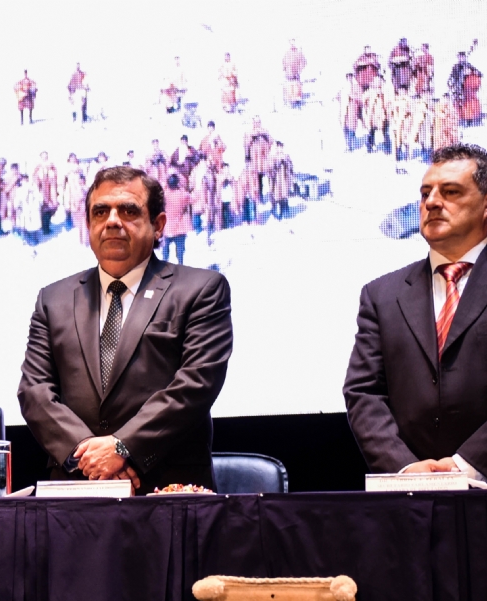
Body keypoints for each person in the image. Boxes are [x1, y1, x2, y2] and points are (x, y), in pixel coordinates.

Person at [343, 145, 487, 479]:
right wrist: (404, 468)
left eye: (450, 191)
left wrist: (466, 463)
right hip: (409, 494)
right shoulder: (381, 294)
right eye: (425, 193)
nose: (432, 202)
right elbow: (363, 391)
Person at [18, 166, 234, 493]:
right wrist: (89, 455)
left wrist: (123, 447)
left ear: (158, 225)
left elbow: (197, 383)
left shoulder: (201, 290)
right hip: (76, 487)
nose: (112, 221)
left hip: (167, 490)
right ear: (88, 224)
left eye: (129, 211)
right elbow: (35, 391)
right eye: (100, 211)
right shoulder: (53, 300)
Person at [161, 174, 191, 264]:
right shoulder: (182, 194)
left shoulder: (164, 195)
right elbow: (193, 199)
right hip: (180, 227)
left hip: (167, 227)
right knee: (180, 253)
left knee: (165, 252)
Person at [242, 116, 273, 200]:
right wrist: (252, 137)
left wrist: (265, 135)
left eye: (258, 122)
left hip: (264, 160)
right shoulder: (249, 132)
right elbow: (246, 145)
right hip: (254, 160)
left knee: (268, 177)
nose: (257, 124)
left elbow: (271, 142)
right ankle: (258, 197)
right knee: (256, 180)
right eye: (255, 122)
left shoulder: (265, 131)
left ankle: (272, 197)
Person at [268, 141, 295, 220]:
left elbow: (291, 168)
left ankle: (285, 212)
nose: (279, 149)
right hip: (276, 182)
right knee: (276, 197)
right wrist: (276, 164)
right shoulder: (273, 157)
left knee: (284, 196)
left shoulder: (286, 156)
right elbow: (270, 170)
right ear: (276, 148)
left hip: (284, 181)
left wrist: (286, 162)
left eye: (281, 147)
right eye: (278, 147)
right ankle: (277, 212)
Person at [281, 40, 307, 107]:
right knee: (289, 85)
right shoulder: (287, 53)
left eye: (293, 43)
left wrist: (299, 69)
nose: (292, 45)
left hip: (296, 73)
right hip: (288, 74)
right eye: (291, 43)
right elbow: (283, 62)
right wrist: (285, 68)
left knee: (296, 85)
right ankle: (290, 99)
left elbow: (304, 62)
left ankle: (296, 99)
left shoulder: (299, 53)